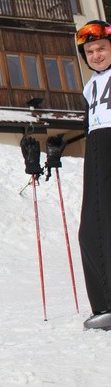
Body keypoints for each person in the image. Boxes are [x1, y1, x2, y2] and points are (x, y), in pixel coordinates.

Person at [75, 19, 111, 331]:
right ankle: (102, 304)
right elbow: (89, 123)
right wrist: (58, 147)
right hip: (97, 149)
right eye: (90, 51)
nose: (96, 55)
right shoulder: (90, 87)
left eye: (101, 48)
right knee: (90, 229)